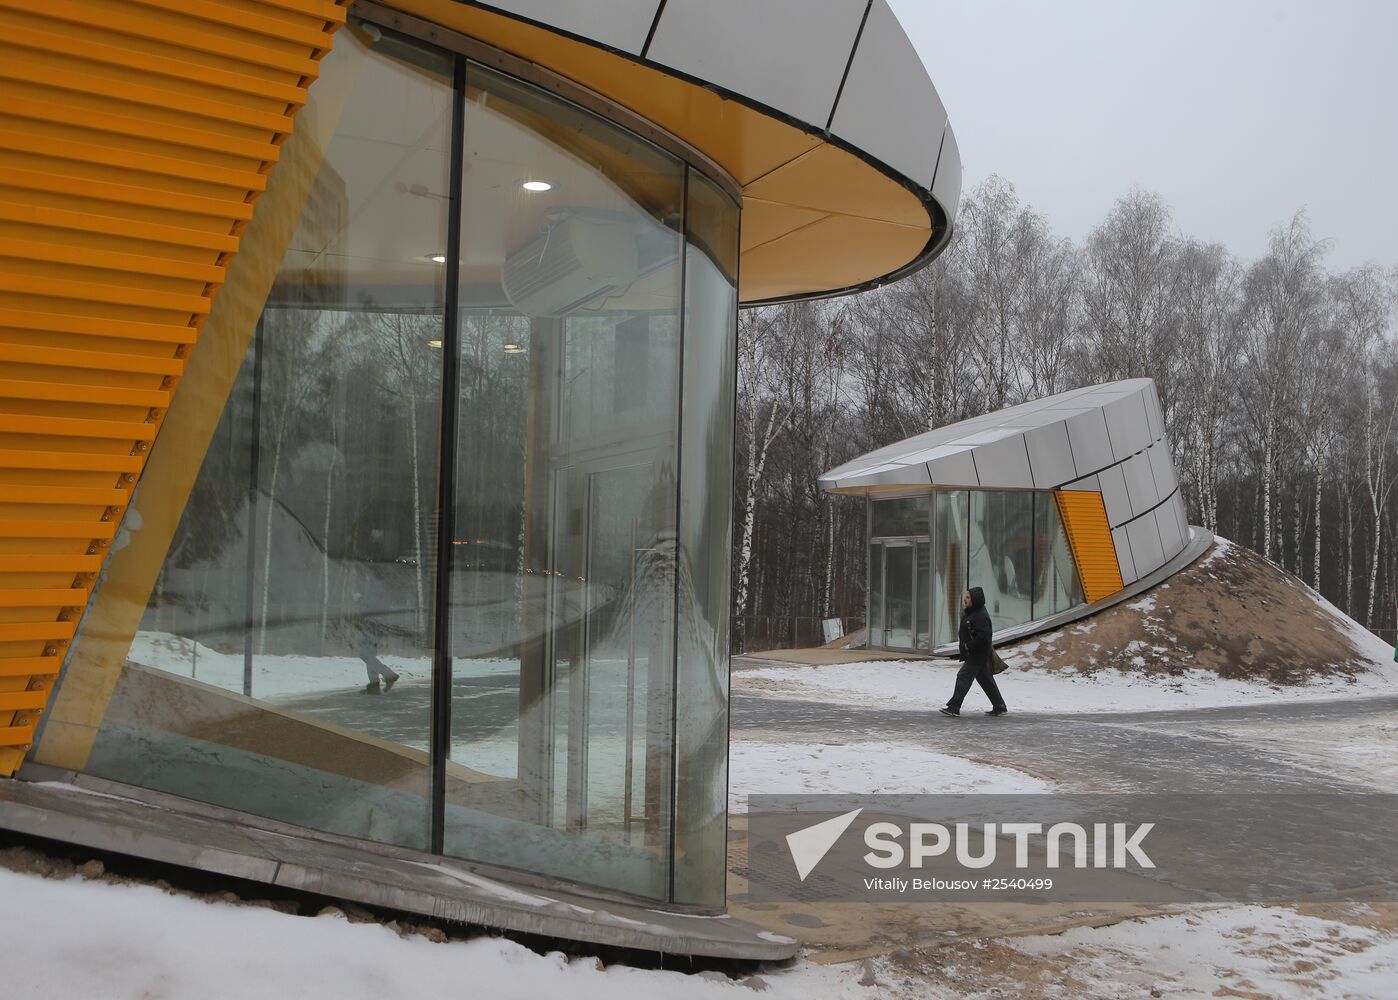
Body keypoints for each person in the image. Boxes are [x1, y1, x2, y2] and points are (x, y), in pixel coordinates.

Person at [940, 586, 1007, 717]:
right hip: (977, 654)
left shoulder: (980, 616)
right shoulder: (973, 612)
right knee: (985, 679)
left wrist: (968, 646)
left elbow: (983, 637)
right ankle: (999, 706)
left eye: (968, 597)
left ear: (975, 599)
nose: (965, 599)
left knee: (963, 677)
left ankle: (954, 707)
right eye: (966, 597)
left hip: (976, 655)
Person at [352, 590, 399, 695]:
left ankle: (389, 675)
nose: (353, 596)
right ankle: (374, 685)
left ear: (360, 593)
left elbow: (370, 618)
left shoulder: (365, 602)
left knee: (365, 655)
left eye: (354, 593)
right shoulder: (365, 602)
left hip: (371, 633)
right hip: (373, 632)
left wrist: (368, 632)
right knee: (369, 656)